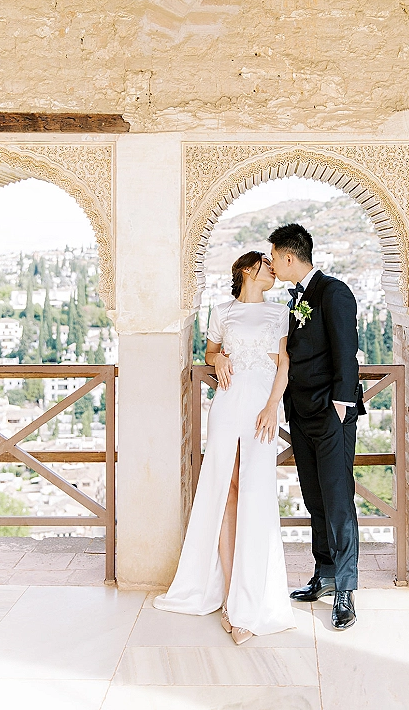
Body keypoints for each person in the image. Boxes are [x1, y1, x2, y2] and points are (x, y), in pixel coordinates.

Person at [153, 251, 295, 644]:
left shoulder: (280, 312)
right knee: (225, 490)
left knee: (255, 493)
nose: (273, 270)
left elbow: (284, 364)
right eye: (267, 264)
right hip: (228, 405)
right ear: (248, 270)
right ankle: (231, 597)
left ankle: (253, 600)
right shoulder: (222, 310)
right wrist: (216, 362)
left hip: (261, 408)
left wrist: (271, 407)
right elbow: (210, 352)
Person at [269, 223, 365, 631]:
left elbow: (347, 350)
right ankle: (324, 575)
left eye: (274, 258)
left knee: (339, 500)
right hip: (301, 412)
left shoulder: (334, 291)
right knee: (314, 497)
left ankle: (345, 590)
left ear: (290, 258)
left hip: (331, 414)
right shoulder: (296, 299)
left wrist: (340, 408)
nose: (272, 265)